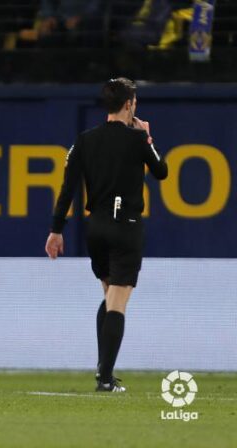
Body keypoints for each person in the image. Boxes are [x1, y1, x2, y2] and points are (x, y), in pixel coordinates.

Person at [45, 77, 168, 392]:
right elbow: (161, 172)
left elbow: (67, 189)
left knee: (110, 296)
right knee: (117, 303)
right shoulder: (137, 140)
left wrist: (56, 230)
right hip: (126, 227)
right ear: (129, 105)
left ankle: (103, 370)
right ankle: (104, 378)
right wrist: (148, 139)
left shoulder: (85, 140)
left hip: (95, 228)